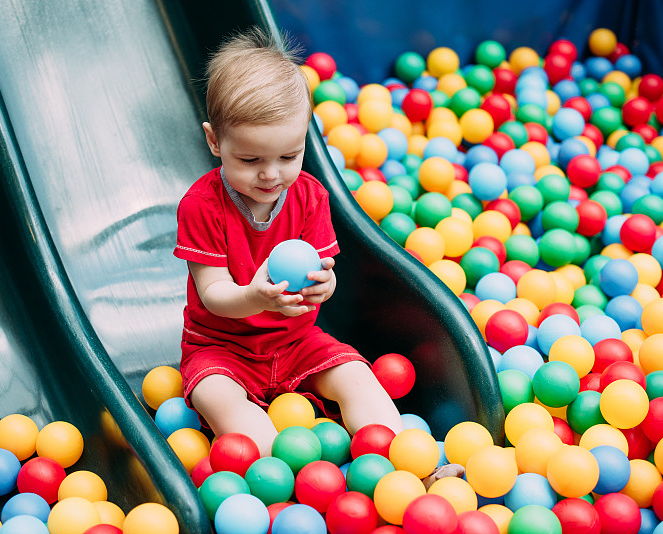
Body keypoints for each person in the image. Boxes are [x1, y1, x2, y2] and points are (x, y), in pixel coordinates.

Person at [173, 27, 462, 484]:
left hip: (295, 342)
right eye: (250, 160)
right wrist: (257, 297)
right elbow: (213, 294)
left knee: (355, 373)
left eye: (290, 156)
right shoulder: (202, 205)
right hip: (221, 350)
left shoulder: (309, 196)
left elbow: (322, 274)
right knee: (217, 396)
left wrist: (323, 286)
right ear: (214, 142)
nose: (271, 175)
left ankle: (408, 472)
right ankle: (288, 484)